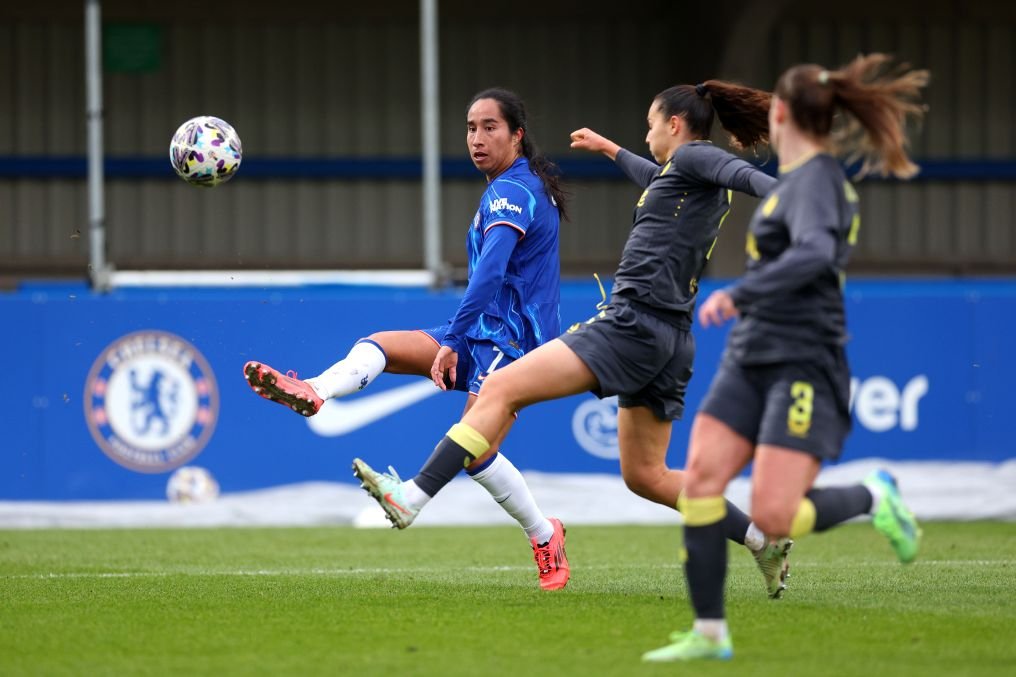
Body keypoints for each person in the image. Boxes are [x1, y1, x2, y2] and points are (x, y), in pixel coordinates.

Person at [357, 80, 800, 598]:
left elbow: (740, 173)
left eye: (652, 123)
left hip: (631, 324)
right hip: (671, 339)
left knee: (498, 390)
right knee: (647, 476)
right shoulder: (678, 175)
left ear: (675, 126)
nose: (647, 132)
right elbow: (655, 172)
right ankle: (760, 539)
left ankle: (412, 496)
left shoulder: (699, 160)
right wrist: (611, 149)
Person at [641, 54, 929, 663]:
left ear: (780, 112)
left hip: (804, 358)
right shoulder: (792, 184)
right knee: (702, 482)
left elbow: (818, 254)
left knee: (775, 515)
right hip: (750, 357)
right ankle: (710, 633)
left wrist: (745, 292)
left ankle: (875, 494)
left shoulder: (820, 181)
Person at [244, 88, 573, 590]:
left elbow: (489, 276)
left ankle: (543, 533)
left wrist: (453, 337)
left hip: (511, 342)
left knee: (475, 450)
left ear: (517, 135)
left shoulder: (512, 192)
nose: (477, 139)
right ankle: (315, 389)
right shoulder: (518, 186)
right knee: (381, 344)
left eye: (490, 127)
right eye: (470, 128)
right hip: (484, 330)